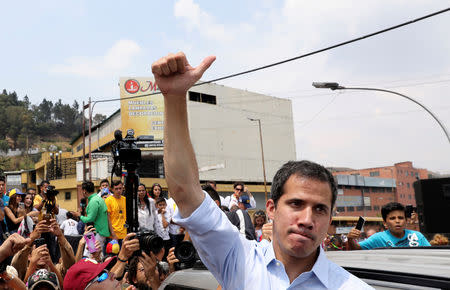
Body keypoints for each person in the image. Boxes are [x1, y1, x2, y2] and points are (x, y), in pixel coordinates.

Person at [151, 52, 371, 289]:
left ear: (330, 218)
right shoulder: (239, 260)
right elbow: (184, 191)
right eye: (296, 204)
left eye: (319, 209)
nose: (307, 220)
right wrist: (174, 98)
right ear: (271, 208)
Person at [348, 202, 431, 250]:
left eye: (401, 218)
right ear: (385, 223)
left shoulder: (418, 236)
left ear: (406, 220)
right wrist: (350, 239)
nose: (397, 221)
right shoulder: (378, 238)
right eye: (392, 218)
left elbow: (431, 254)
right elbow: (357, 248)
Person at [72, 181, 111, 250]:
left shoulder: (94, 201)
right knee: (96, 254)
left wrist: (79, 216)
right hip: (98, 232)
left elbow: (90, 219)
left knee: (92, 254)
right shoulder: (97, 199)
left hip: (97, 232)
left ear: (84, 191)